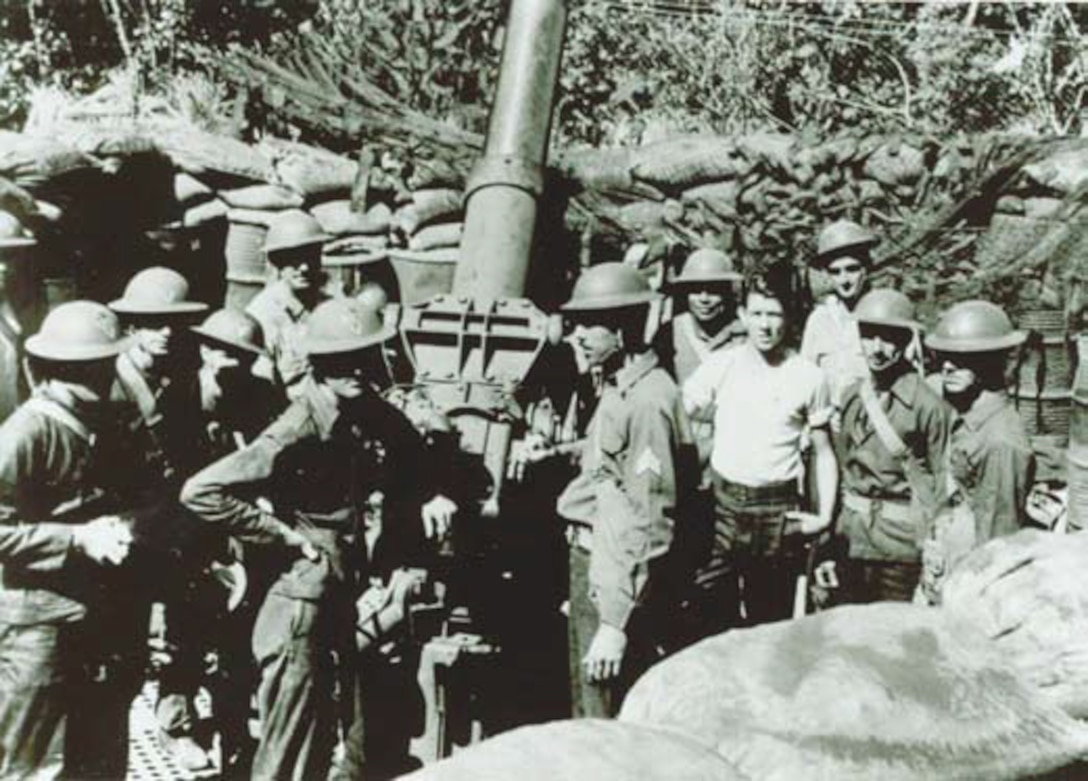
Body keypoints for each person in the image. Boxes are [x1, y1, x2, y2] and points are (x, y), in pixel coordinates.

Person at [181, 297, 458, 780]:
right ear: (320, 364)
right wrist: (281, 536)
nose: (360, 370)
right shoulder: (300, 425)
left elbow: (408, 450)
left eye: (367, 357)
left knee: (335, 727)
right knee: (291, 740)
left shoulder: (363, 409)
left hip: (339, 590)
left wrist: (432, 491)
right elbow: (201, 491)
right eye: (344, 361)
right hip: (300, 598)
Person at [0, 301, 142, 778]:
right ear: (56, 371)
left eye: (105, 367)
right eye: (90, 370)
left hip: (95, 615)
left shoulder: (104, 421)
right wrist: (75, 538)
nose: (103, 379)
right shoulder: (26, 434)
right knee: (35, 762)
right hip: (38, 626)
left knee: (98, 752)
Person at [555, 262, 694, 718]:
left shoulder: (650, 400)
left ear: (623, 327)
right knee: (586, 712)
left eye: (589, 325)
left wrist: (615, 621)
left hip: (615, 575)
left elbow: (651, 519)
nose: (576, 335)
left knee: (604, 723)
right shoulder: (619, 388)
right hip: (595, 568)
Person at [684, 269, 837, 629]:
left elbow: (824, 452)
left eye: (774, 314)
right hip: (721, 508)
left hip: (778, 511)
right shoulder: (721, 366)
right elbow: (676, 416)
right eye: (756, 314)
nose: (765, 325)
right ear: (742, 315)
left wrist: (825, 516)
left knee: (769, 624)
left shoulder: (807, 377)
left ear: (789, 318)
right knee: (705, 614)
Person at [109, 265, 214, 769]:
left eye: (175, 323)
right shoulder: (109, 384)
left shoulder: (184, 380)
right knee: (121, 642)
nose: (166, 333)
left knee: (185, 631)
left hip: (175, 529)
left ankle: (178, 724)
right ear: (131, 326)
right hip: (125, 534)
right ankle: (106, 740)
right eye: (154, 322)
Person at [836, 289, 952, 603]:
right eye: (868, 336)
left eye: (888, 338)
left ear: (905, 340)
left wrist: (936, 546)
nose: (877, 348)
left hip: (901, 546)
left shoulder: (928, 406)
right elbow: (842, 468)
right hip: (851, 538)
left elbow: (943, 482)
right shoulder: (851, 397)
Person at [919, 300, 1036, 603]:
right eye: (944, 356)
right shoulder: (966, 415)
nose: (947, 366)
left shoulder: (1000, 441)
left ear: (991, 362)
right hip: (946, 570)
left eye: (962, 358)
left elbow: (997, 543)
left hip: (970, 590)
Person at [246, 210, 331, 396]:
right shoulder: (262, 315)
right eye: (294, 259)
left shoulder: (328, 305)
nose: (304, 268)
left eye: (311, 256)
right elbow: (261, 387)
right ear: (277, 261)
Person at [801, 220, 877, 425]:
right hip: (828, 428)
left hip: (873, 427)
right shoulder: (819, 320)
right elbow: (804, 380)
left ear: (867, 269)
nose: (844, 280)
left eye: (852, 269)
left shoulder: (883, 314)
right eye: (836, 271)